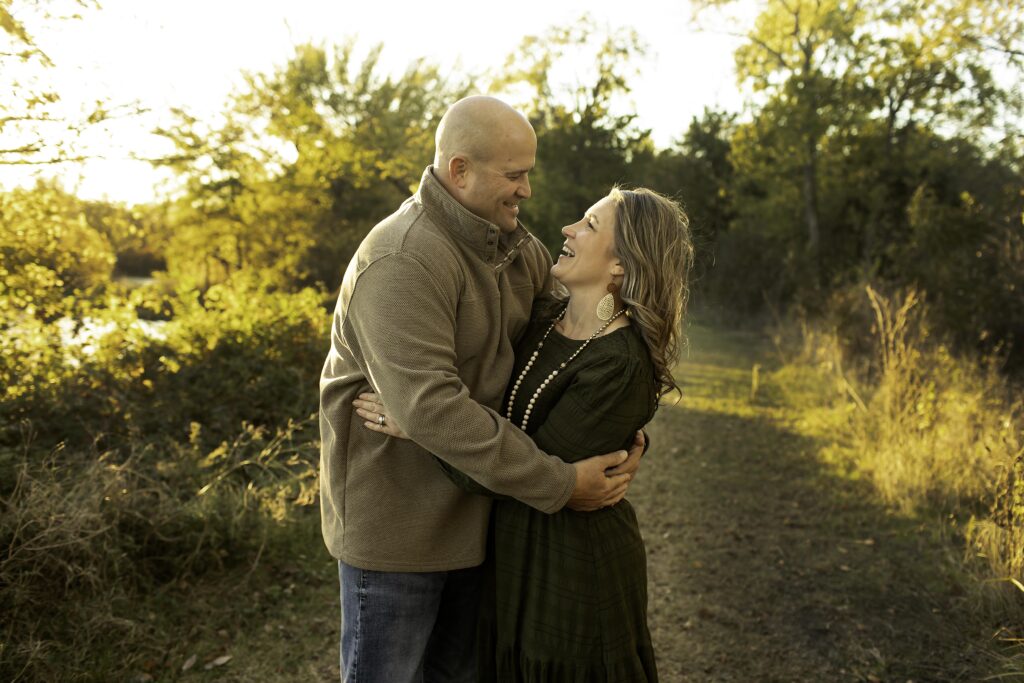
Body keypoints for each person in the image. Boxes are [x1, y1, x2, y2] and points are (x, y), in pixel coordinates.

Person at [318, 95, 646, 682]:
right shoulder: (401, 259)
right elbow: (433, 410)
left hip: (482, 518)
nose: (527, 191)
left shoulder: (517, 248)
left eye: (529, 174)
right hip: (400, 532)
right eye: (514, 175)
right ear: (460, 170)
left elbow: (570, 346)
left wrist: (622, 434)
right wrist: (562, 483)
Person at [358, 186, 692, 681]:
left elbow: (525, 466)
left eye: (589, 225)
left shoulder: (620, 364)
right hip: (513, 554)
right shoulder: (543, 318)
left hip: (572, 567)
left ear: (621, 264)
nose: (568, 229)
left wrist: (420, 423)